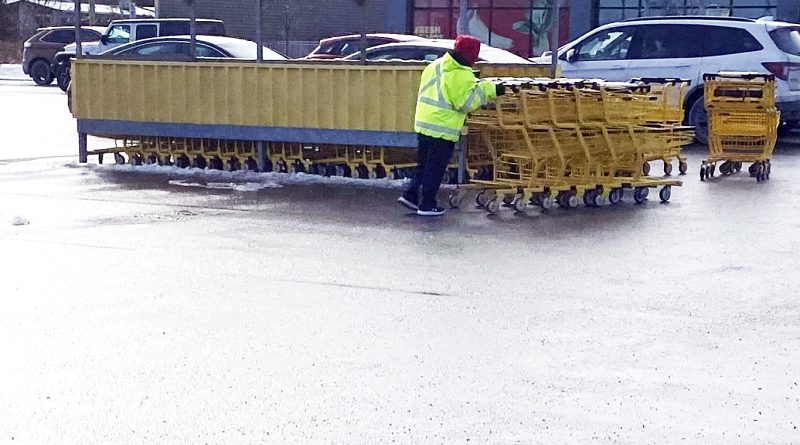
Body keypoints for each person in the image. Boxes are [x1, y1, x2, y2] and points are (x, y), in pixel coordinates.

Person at [398, 35, 504, 216]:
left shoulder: (435, 66)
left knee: (423, 165)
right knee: (435, 168)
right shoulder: (461, 74)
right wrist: (489, 89)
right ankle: (427, 205)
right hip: (442, 127)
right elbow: (465, 103)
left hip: (424, 123)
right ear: (472, 55)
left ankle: (411, 195)